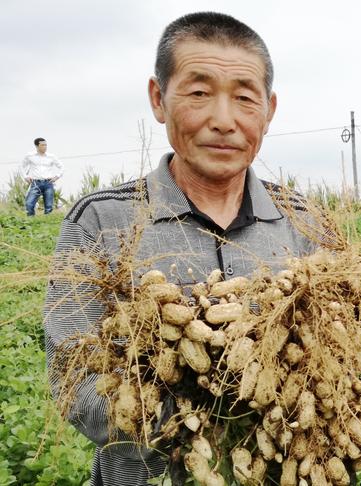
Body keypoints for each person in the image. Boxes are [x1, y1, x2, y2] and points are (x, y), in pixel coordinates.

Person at [44, 12, 317, 485]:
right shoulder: (101, 222)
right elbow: (75, 386)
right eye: (198, 93)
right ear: (158, 99)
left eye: (245, 99)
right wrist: (191, 392)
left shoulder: (306, 222)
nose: (224, 121)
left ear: (269, 111)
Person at [22, 137, 63, 216]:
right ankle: (31, 222)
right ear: (37, 146)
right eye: (42, 145)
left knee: (49, 207)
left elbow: (62, 167)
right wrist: (25, 176)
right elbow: (21, 166)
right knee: (29, 204)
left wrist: (57, 176)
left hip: (48, 183)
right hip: (35, 183)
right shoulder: (30, 156)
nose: (45, 147)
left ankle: (47, 224)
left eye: (46, 145)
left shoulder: (51, 156)